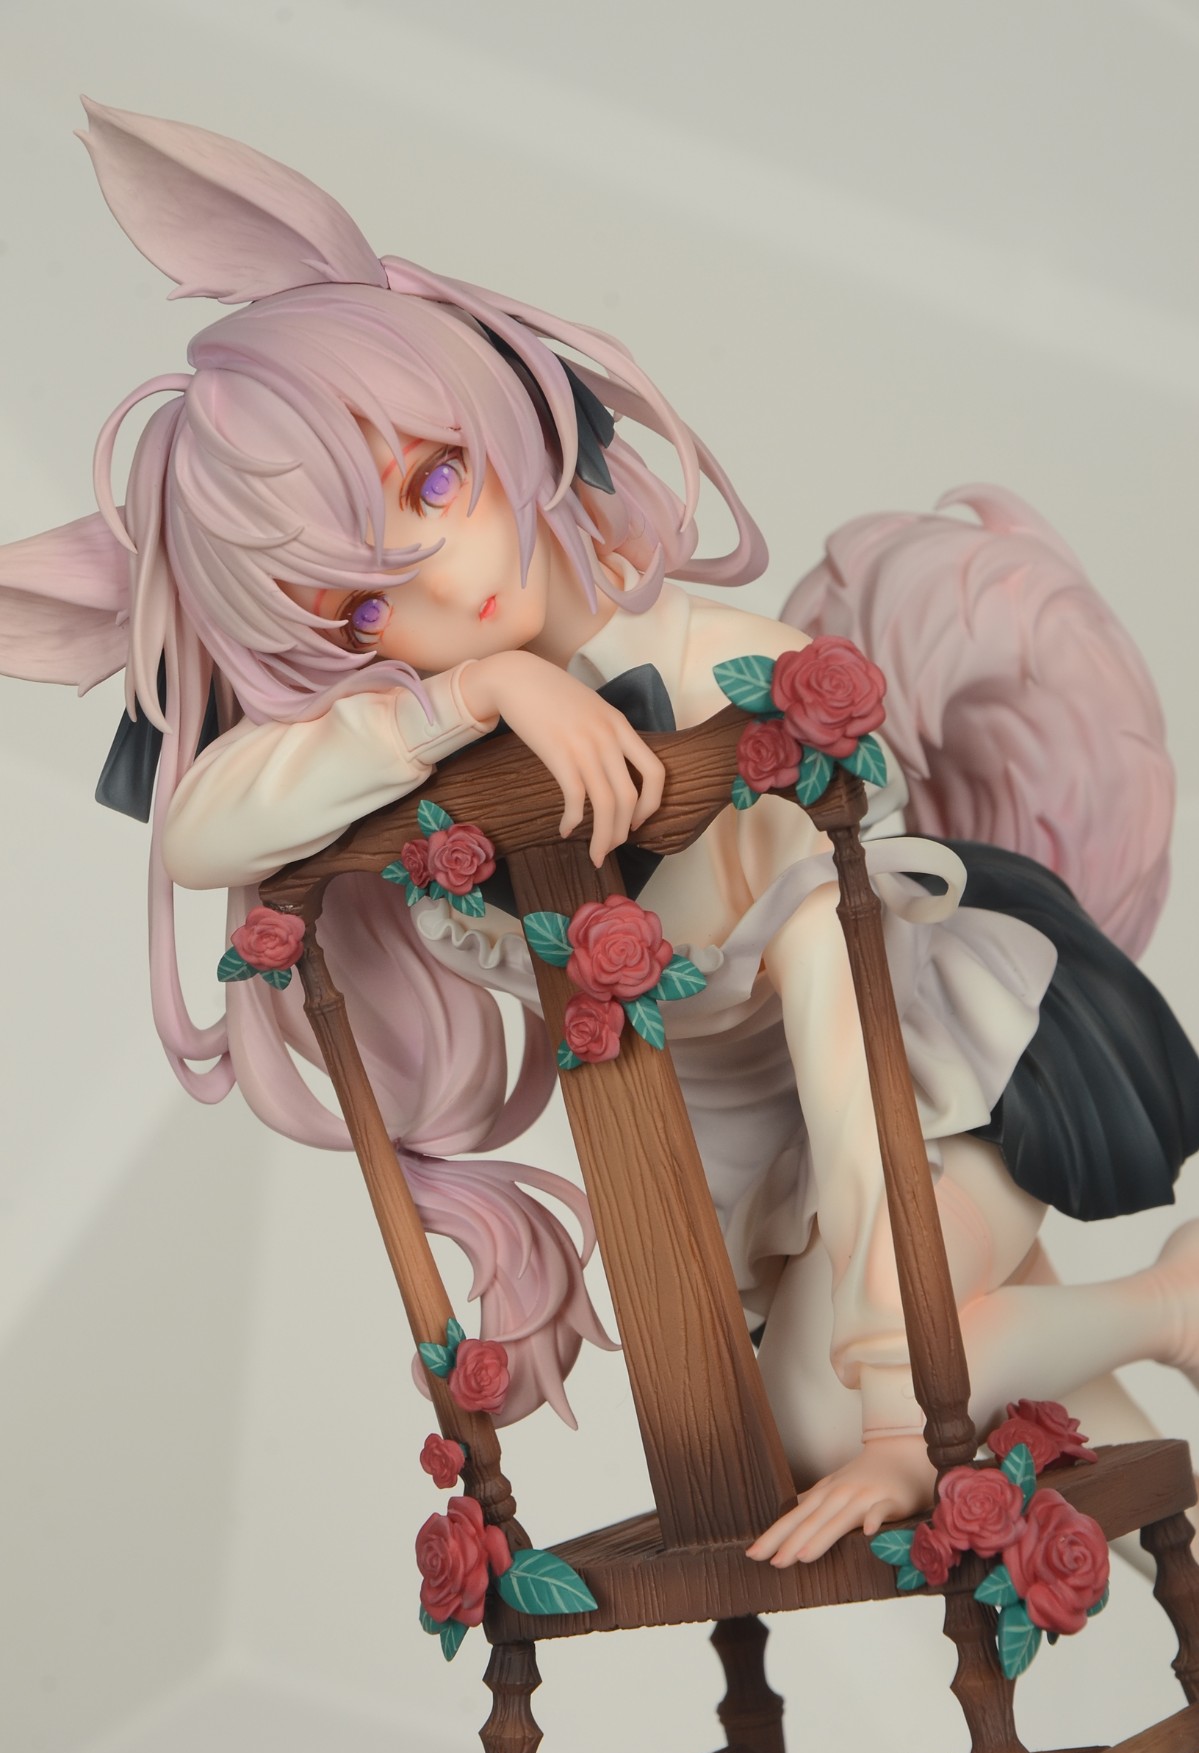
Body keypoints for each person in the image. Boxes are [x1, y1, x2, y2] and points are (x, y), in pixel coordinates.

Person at [3, 100, 1197, 1567]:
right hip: (775, 1177)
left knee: (832, 1414)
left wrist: (904, 1427)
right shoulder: (439, 748)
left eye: (437, 482)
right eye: (364, 608)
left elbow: (845, 868)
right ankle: (1155, 1359)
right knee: (977, 1416)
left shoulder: (692, 656)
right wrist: (468, 697)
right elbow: (200, 830)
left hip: (931, 1090)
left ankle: (1167, 1305)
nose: (441, 585)